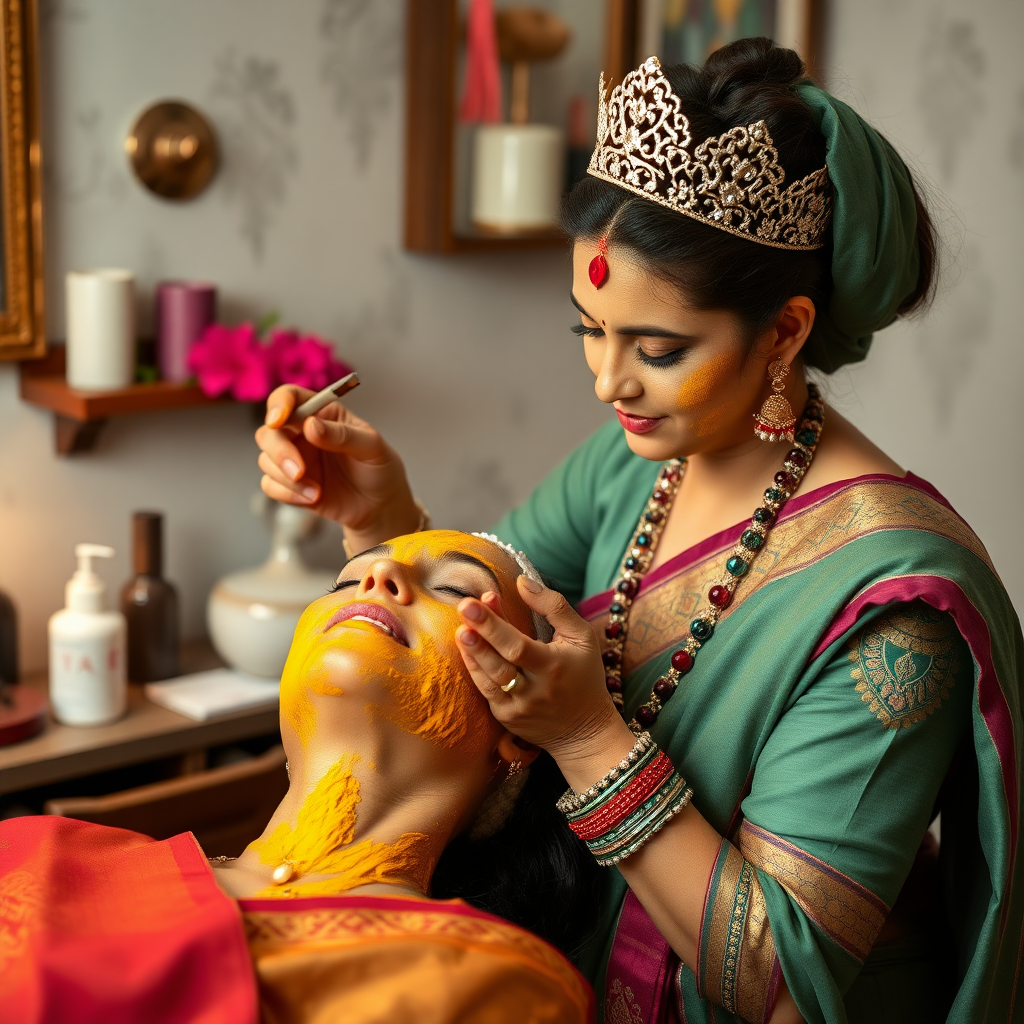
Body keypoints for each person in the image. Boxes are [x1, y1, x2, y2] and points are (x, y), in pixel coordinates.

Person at [254, 39, 1023, 1024]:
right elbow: (479, 633)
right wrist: (381, 521)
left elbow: (787, 986)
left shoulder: (891, 607)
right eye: (589, 328)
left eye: (656, 349)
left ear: (784, 333)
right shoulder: (634, 459)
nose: (608, 381)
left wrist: (586, 737)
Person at [0, 531, 596, 1024]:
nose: (377, 578)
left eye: (455, 589)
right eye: (345, 579)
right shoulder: (37, 849)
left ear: (519, 729)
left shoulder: (496, 985)